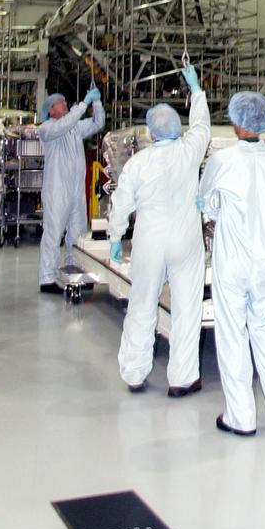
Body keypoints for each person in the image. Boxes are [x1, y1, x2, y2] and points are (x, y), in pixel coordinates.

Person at [199, 91, 265, 436]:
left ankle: (240, 418)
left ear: (236, 122)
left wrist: (216, 216)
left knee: (233, 336)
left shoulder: (222, 160)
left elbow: (207, 203)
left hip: (233, 261)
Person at [107, 66, 210, 395]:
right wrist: (196, 90)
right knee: (186, 308)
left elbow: (121, 204)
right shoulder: (189, 151)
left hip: (150, 241)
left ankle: (135, 373)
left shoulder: (138, 163)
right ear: (178, 130)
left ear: (149, 134)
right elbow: (202, 126)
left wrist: (114, 238)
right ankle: (182, 378)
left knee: (142, 304)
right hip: (186, 240)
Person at [37, 86, 105, 294]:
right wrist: (83, 104)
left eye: (66, 101)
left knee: (77, 234)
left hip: (76, 190)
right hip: (57, 190)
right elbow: (64, 125)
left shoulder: (74, 127)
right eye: (61, 102)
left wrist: (97, 103)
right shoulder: (47, 128)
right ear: (51, 110)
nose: (66, 104)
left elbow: (97, 123)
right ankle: (46, 278)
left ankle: (76, 271)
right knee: (53, 233)